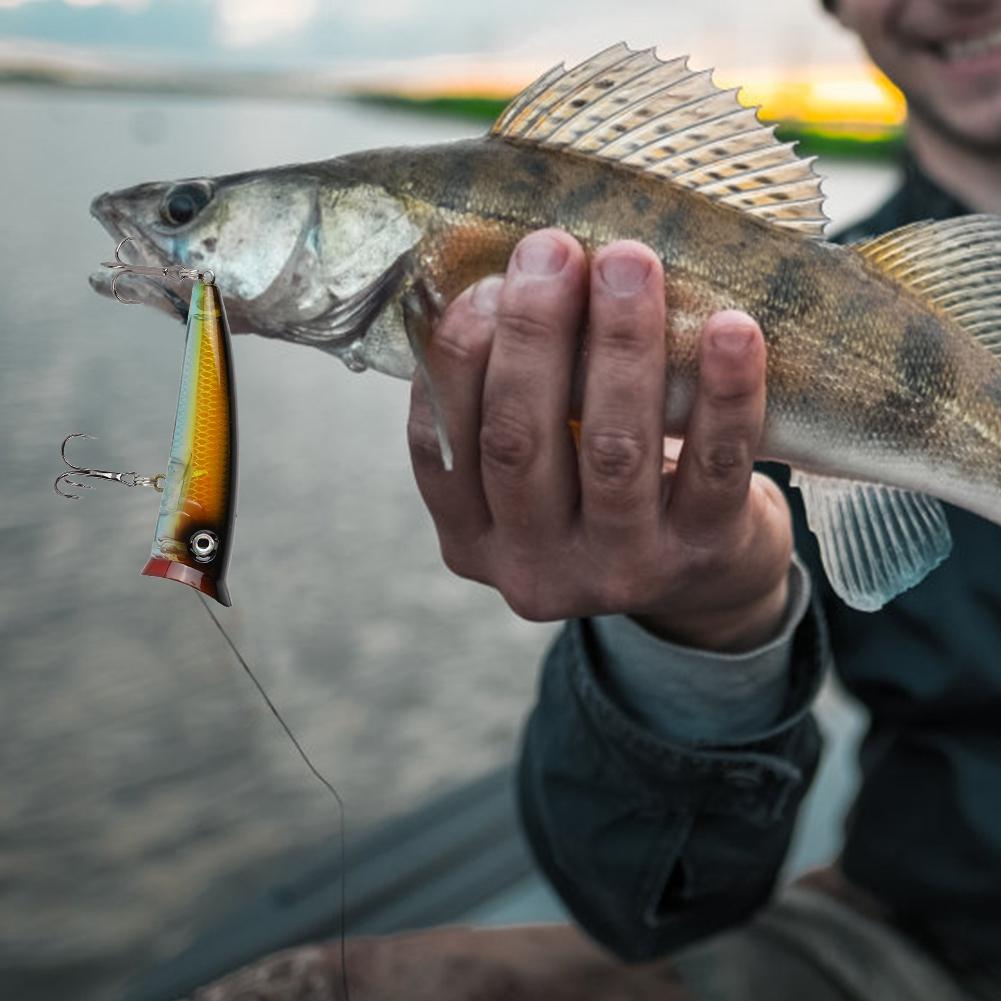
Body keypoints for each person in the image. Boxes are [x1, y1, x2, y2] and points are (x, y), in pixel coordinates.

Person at [188, 2, 1001, 998]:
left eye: (188, 212)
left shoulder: (851, 308)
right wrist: (699, 627)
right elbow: (648, 904)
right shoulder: (809, 324)